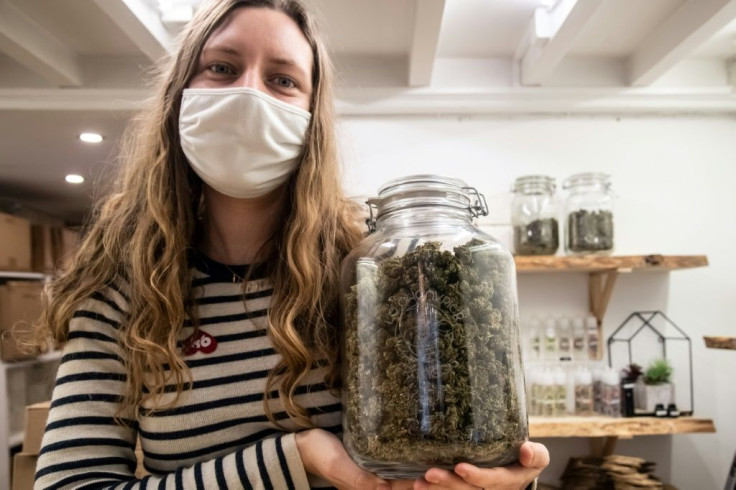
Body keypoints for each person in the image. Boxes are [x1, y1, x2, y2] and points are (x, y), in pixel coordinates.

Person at [33, 0, 549, 488]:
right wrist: (295, 457)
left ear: (311, 120)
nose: (249, 94)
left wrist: (493, 479)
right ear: (179, 95)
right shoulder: (120, 288)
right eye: (222, 68)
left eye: (282, 80)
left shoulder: (374, 272)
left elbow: (450, 436)